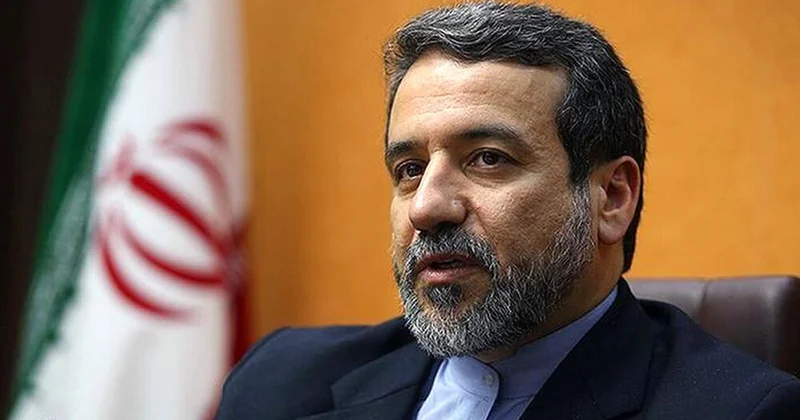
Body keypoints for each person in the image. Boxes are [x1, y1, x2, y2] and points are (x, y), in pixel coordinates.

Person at [216, 2, 800, 419]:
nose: (427, 207)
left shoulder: (743, 409)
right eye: (410, 169)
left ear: (612, 197)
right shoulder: (280, 382)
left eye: (488, 159)